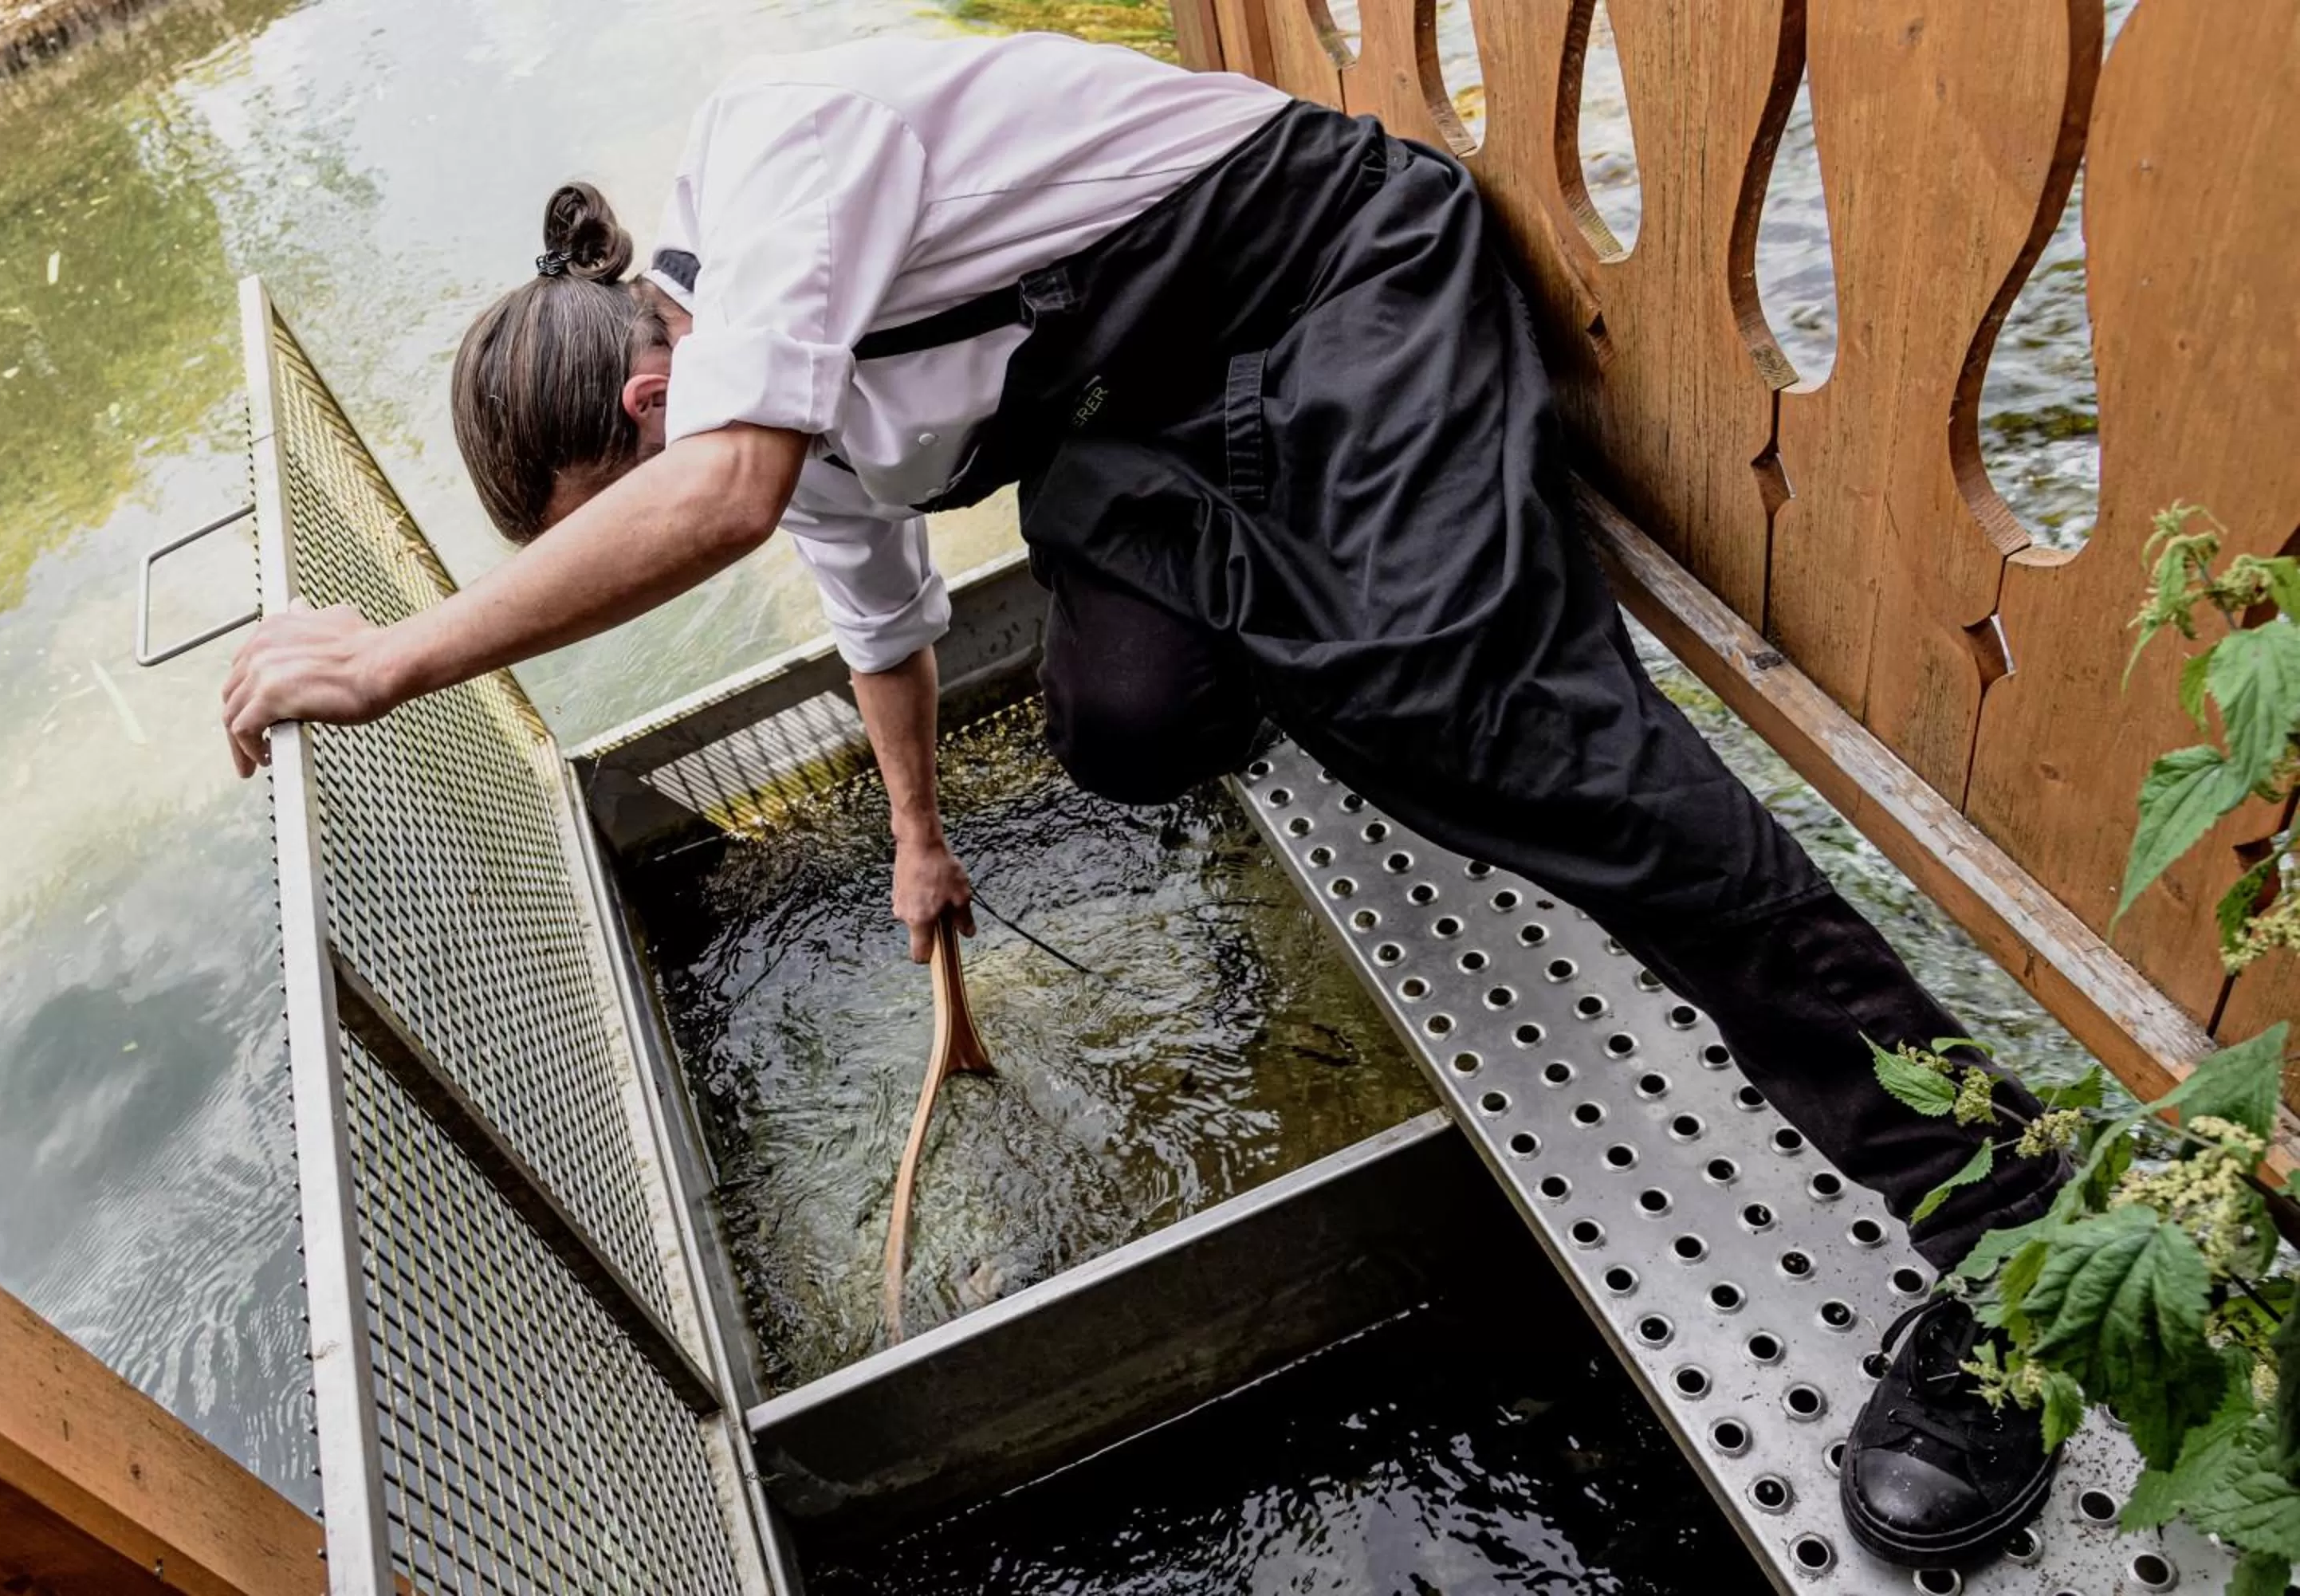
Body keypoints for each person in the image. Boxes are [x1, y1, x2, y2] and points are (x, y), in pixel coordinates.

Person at [219, 30, 2066, 1568]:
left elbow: (717, 501)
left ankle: (2020, 1231)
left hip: (1340, 269)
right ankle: (1370, 598)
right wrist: (924, 844)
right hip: (1169, 426)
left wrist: (395, 660)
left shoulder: (778, 172)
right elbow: (881, 613)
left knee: (1499, 734)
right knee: (1126, 725)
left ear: (649, 389)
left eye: (616, 521)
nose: (673, 536)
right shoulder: (764, 407)